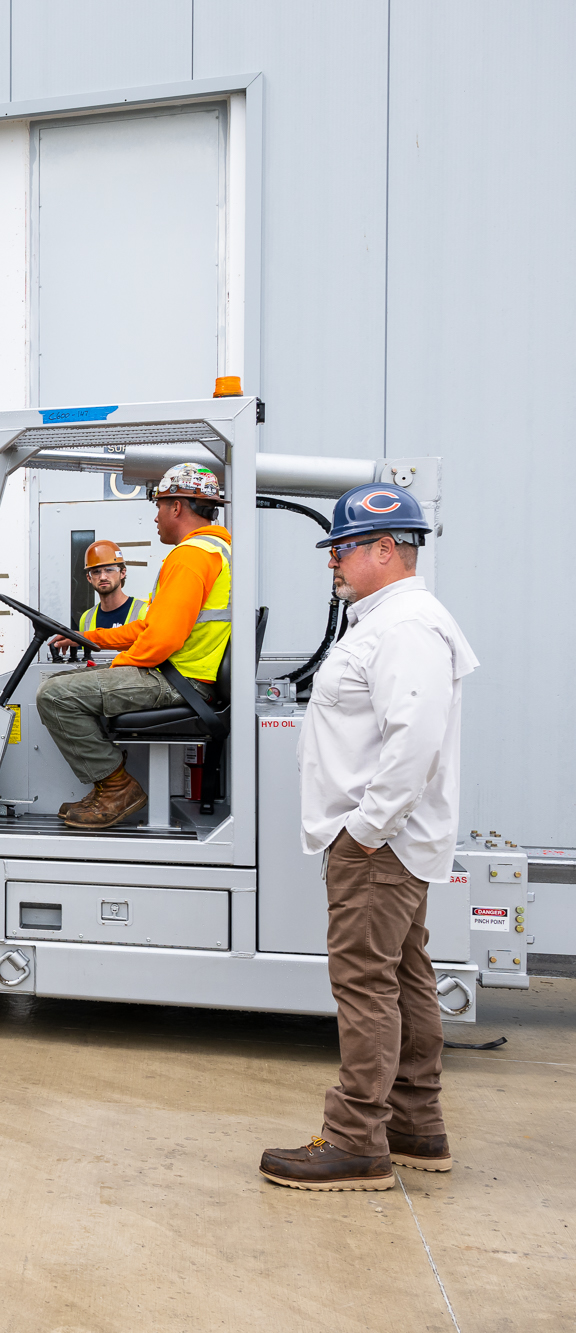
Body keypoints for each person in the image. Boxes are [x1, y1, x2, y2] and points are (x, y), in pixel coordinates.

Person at [259, 484, 477, 1191]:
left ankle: (356, 1140)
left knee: (364, 985)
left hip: (379, 846)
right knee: (405, 974)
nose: (334, 562)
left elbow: (412, 740)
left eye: (345, 548)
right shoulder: (388, 619)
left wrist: (365, 832)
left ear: (387, 549)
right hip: (388, 843)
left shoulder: (404, 625)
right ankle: (415, 1123)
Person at [37, 463, 231, 828]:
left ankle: (116, 787)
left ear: (177, 507)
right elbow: (150, 626)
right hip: (186, 676)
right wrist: (90, 638)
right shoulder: (214, 551)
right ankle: (107, 786)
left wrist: (118, 665)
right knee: (66, 684)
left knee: (54, 695)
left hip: (178, 680)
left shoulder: (191, 556)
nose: (156, 516)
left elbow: (162, 639)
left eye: (158, 505)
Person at [75, 539, 149, 633]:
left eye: (109, 570)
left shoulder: (143, 612)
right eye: (96, 572)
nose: (102, 577)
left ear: (122, 573)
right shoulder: (86, 618)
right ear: (89, 578)